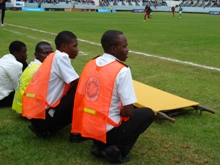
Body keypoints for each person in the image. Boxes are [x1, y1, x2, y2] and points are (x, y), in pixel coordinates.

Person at [71, 30, 155, 163]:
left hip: (88, 126)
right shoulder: (121, 70)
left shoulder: (90, 63)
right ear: (114, 49)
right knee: (147, 114)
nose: (127, 50)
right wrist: (123, 112)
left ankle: (99, 145)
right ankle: (117, 150)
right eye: (125, 46)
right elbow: (128, 110)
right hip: (106, 129)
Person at [22, 31, 80, 139]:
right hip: (44, 115)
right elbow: (77, 82)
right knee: (81, 92)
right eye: (75, 46)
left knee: (75, 90)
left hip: (36, 112)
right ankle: (74, 132)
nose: (77, 50)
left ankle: (44, 123)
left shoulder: (52, 57)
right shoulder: (61, 57)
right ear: (64, 46)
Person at [12, 41, 53, 114]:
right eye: (45, 53)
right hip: (28, 110)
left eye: (51, 53)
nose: (49, 56)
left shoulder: (33, 65)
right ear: (36, 55)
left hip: (21, 107)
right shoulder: (40, 69)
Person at [0, 41, 28, 107]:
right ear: (16, 53)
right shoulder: (15, 65)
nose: (26, 55)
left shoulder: (7, 58)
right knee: (30, 94)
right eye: (24, 52)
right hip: (1, 100)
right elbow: (18, 87)